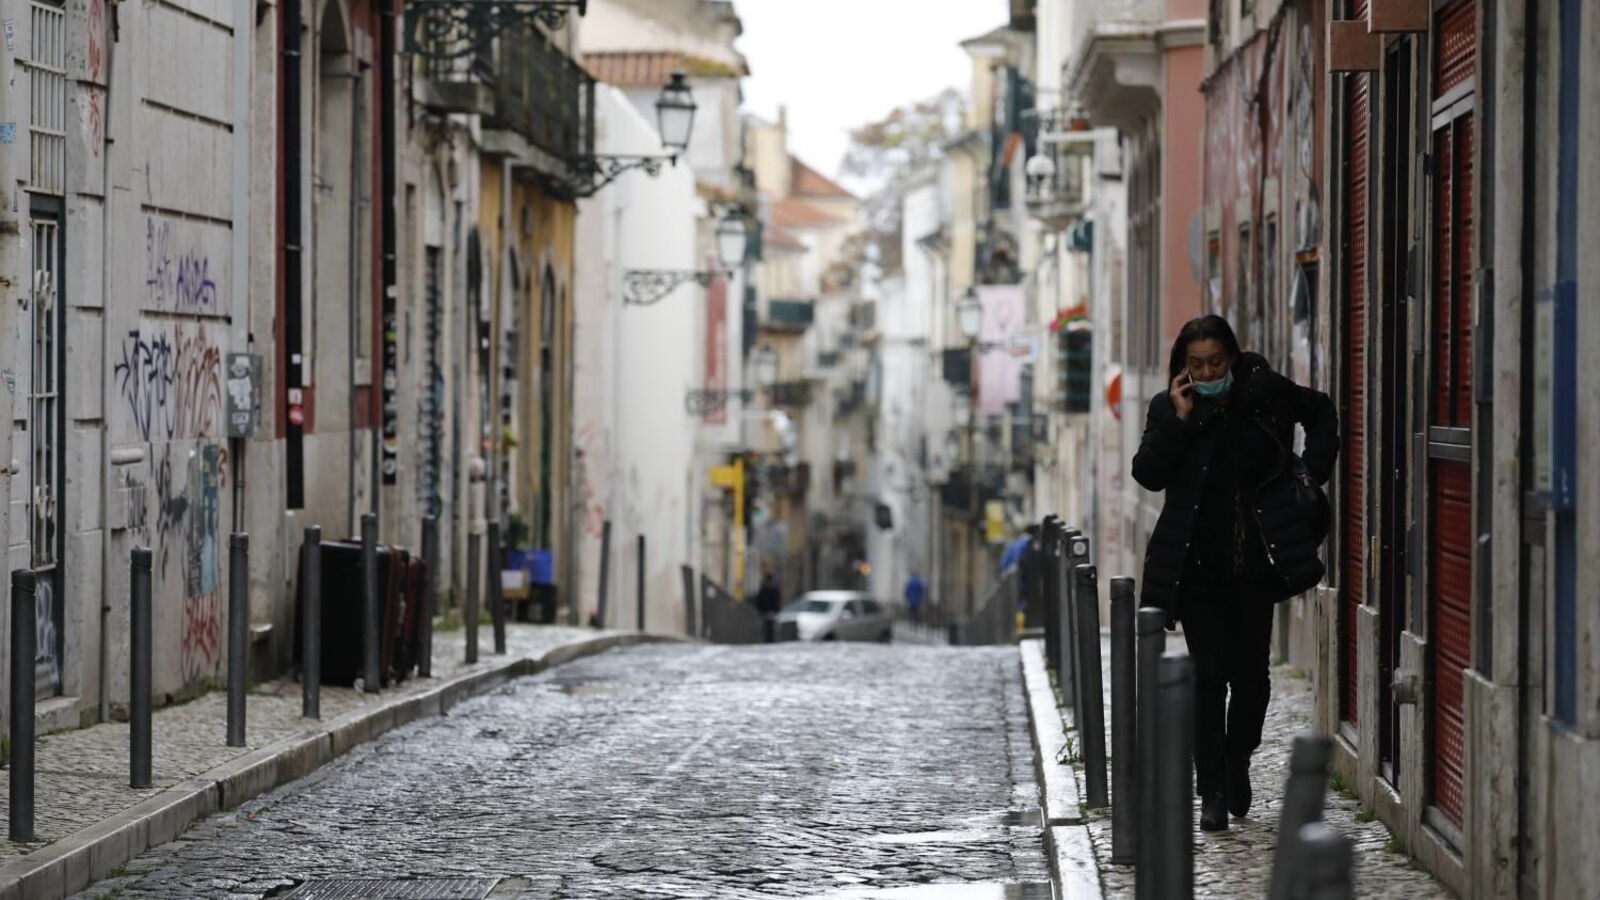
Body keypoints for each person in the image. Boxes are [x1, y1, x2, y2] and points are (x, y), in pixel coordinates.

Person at [1131, 315, 1337, 832]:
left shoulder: (1262, 392)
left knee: (1251, 679)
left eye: (1215, 362)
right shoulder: (1168, 407)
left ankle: (1239, 756)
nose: (1207, 372)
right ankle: (1212, 790)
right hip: (1195, 570)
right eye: (1196, 364)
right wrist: (1179, 420)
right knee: (1207, 677)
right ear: (1183, 366)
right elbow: (1148, 474)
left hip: (1255, 567)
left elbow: (1322, 413)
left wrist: (1310, 471)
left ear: (1232, 356)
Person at [754, 570, 781, 643]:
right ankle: (769, 641)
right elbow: (777, 601)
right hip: (770, 612)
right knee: (769, 628)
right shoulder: (773, 589)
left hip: (765, 612)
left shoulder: (764, 589)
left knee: (766, 628)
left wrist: (759, 610)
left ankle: (767, 641)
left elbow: (759, 600)